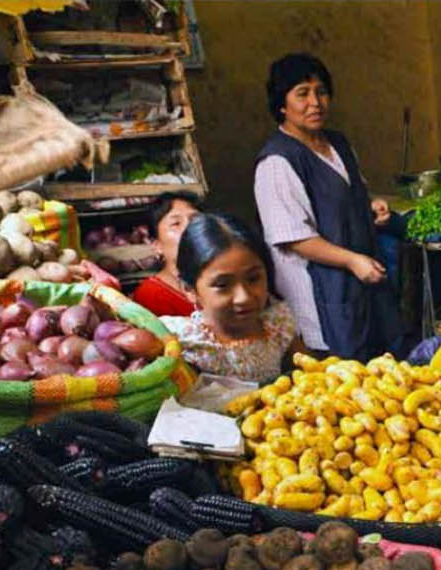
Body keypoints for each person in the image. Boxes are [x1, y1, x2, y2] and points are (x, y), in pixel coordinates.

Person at [253, 52, 404, 360]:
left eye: (321, 92)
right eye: (302, 94)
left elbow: (348, 193)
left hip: (359, 284)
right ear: (281, 104)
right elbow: (294, 237)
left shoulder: (338, 144)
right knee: (339, 368)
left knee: (380, 365)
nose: (315, 103)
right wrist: (351, 261)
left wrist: (370, 206)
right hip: (321, 289)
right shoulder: (277, 162)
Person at [160, 212, 298, 383]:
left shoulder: (279, 325)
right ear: (189, 289)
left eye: (253, 279)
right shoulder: (183, 342)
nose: (244, 297)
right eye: (222, 285)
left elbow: (307, 378)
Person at [129, 191, 201, 317]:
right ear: (158, 246)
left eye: (196, 220)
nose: (189, 228)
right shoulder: (151, 294)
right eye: (176, 224)